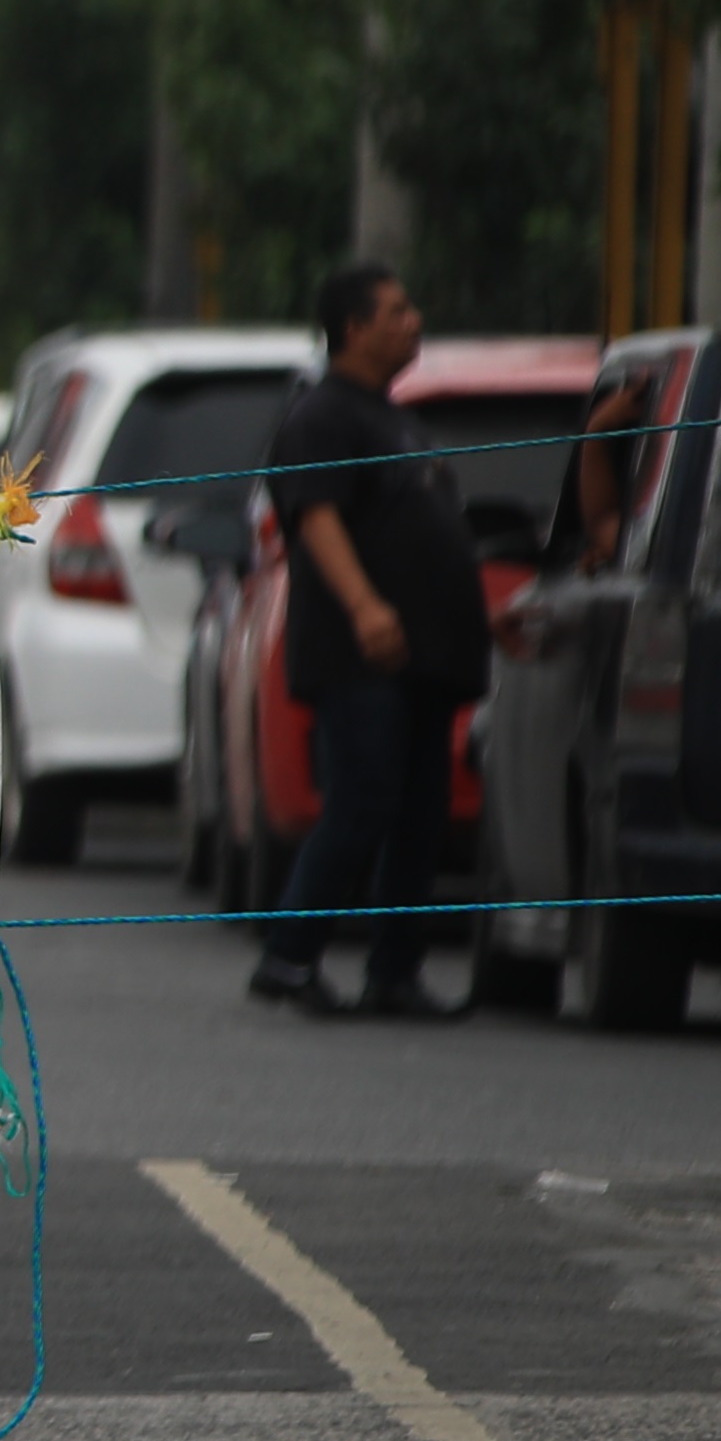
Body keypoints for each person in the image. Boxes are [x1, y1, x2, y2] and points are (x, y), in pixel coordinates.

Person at [251, 260, 485, 1018]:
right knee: (362, 800)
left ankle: (396, 971)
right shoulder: (324, 417)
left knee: (418, 812)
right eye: (395, 311)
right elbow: (316, 518)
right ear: (353, 328)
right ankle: (288, 957)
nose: (412, 321)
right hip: (363, 657)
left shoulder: (397, 418)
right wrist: (365, 608)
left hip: (424, 659)